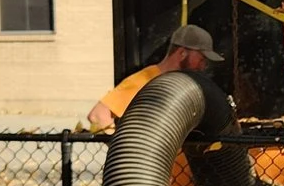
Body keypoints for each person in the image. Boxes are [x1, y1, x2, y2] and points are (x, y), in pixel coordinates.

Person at [87, 23, 219, 132]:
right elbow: (98, 115)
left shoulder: (183, 86)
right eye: (201, 59)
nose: (203, 66)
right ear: (182, 53)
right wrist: (128, 153)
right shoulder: (146, 79)